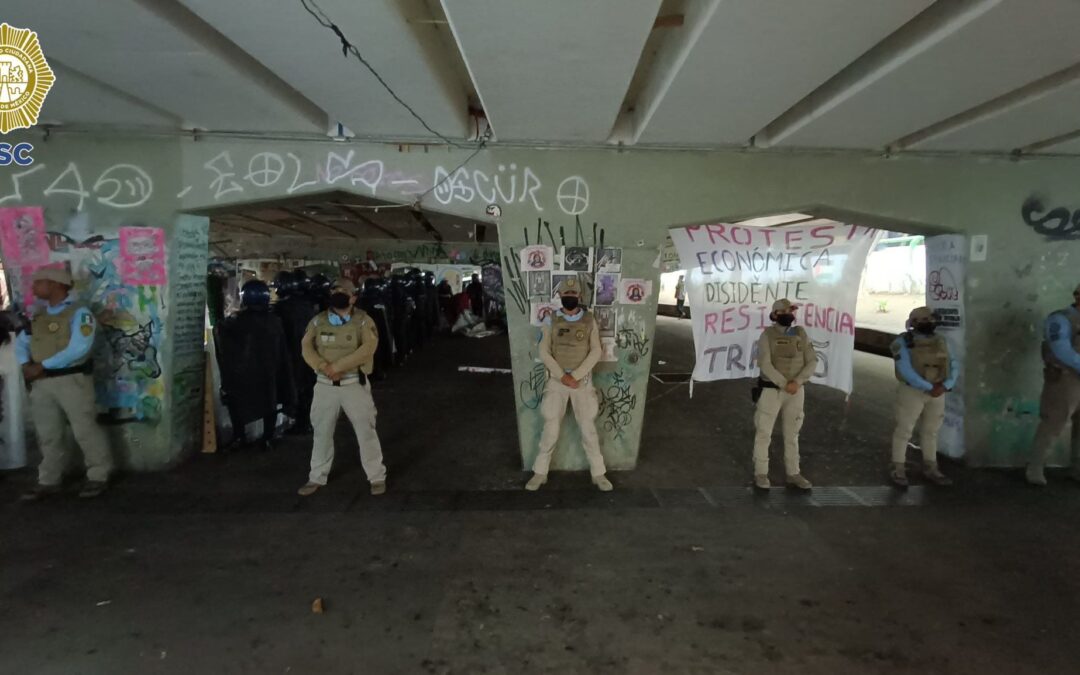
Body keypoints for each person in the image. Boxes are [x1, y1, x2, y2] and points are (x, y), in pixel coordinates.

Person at [16, 267, 113, 499]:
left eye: (39, 282)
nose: (34, 287)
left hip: (73, 380)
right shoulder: (37, 316)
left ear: (56, 284)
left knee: (84, 429)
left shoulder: (80, 313)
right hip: (42, 383)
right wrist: (25, 365)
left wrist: (43, 365)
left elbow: (79, 348)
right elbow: (22, 342)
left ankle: (98, 475)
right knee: (48, 433)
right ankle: (49, 479)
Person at [297, 278, 387, 497]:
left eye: (343, 291)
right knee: (322, 433)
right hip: (325, 385)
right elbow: (306, 347)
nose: (338, 294)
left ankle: (376, 476)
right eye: (335, 290)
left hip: (353, 384)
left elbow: (368, 349)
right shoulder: (318, 322)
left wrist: (337, 366)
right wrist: (322, 366)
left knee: (366, 432)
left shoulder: (364, 321)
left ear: (353, 297)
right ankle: (316, 476)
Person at [525, 277, 613, 492]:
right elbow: (544, 351)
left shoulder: (589, 320)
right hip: (557, 382)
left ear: (579, 297)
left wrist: (577, 375)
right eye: (566, 295)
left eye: (573, 295)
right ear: (560, 296)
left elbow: (595, 351)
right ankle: (540, 473)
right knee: (550, 430)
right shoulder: (550, 320)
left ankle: (599, 474)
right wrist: (562, 376)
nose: (569, 298)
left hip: (581, 383)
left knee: (588, 430)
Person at [214, 280, 295, 450]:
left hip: (243, 374)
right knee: (269, 404)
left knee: (236, 403)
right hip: (269, 372)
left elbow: (220, 333)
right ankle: (268, 437)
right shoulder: (274, 320)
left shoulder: (236, 322)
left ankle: (239, 436)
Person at [752, 299, 816, 491]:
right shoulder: (766, 336)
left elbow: (812, 361)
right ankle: (761, 473)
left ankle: (793, 473)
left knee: (792, 434)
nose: (791, 314)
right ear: (776, 314)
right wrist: (784, 383)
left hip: (795, 391)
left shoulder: (800, 333)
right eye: (787, 311)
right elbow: (765, 364)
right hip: (772, 391)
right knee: (764, 433)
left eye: (792, 310)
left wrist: (797, 382)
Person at [889, 307, 957, 487]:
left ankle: (931, 467)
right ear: (913, 323)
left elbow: (953, 364)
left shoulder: (941, 341)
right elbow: (905, 370)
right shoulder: (902, 342)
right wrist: (933, 387)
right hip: (913, 392)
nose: (930, 322)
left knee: (931, 431)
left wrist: (946, 385)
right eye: (924, 319)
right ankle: (898, 467)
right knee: (904, 430)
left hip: (937, 391)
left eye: (930, 319)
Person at [1026, 283, 1080, 485]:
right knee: (1053, 424)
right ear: (1077, 296)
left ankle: (1077, 468)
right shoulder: (1060, 319)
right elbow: (1061, 350)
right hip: (1065, 378)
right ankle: (1035, 469)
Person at [273, 270, 318, 434]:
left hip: (292, 353)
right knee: (307, 387)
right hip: (309, 353)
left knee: (295, 388)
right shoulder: (306, 304)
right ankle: (306, 422)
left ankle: (300, 423)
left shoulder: (281, 308)